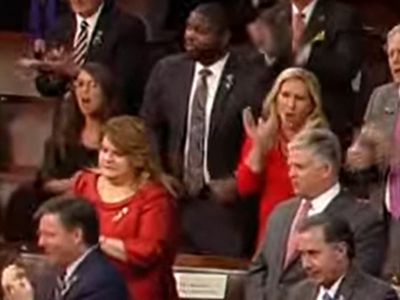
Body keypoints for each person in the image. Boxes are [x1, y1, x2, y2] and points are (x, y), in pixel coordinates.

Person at [141, 2, 268, 257]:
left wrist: (238, 180)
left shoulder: (252, 77)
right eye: (189, 27)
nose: (190, 35)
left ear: (224, 37)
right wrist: (158, 172)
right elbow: (148, 126)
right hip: (172, 196)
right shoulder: (167, 70)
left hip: (223, 204)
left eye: (201, 30)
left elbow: (262, 136)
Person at [246, 128, 387, 300]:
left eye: (299, 167)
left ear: (326, 169)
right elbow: (258, 268)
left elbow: (357, 285)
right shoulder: (280, 213)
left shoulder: (362, 220)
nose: (291, 174)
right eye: (289, 166)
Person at [3, 62, 120, 242]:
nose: (85, 91)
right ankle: (20, 254)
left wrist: (86, 186)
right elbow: (46, 180)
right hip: (62, 193)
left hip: (101, 197)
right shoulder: (65, 131)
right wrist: (72, 184)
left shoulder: (118, 133)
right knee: (23, 198)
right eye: (80, 84)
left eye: (93, 85)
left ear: (106, 91)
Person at [73, 116, 178, 300]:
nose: (108, 158)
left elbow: (148, 251)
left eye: (118, 154)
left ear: (137, 159)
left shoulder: (154, 198)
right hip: (87, 287)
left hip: (134, 291)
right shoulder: (84, 184)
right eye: (104, 150)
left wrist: (98, 242)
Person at [237, 67, 326, 246]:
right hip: (271, 233)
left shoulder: (321, 141)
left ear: (312, 105)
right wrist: (260, 149)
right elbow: (245, 187)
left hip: (310, 231)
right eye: (285, 95)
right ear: (275, 98)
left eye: (299, 98)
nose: (290, 105)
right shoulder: (262, 136)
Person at [270, 0, 363, 147]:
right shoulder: (272, 15)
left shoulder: (342, 16)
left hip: (324, 122)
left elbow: (345, 68)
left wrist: (305, 53)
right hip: (277, 122)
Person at [1, 196, 129, 300]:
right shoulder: (57, 273)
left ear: (77, 235)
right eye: (40, 235)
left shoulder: (102, 284)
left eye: (50, 235)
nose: (41, 243)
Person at [32, 0, 146, 114]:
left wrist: (77, 72)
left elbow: (125, 87)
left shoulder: (127, 27)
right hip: (67, 121)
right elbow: (45, 88)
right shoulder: (60, 27)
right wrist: (52, 74)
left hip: (109, 121)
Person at [356, 24, 400, 279]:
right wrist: (361, 158)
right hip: (380, 213)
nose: (396, 60)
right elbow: (366, 157)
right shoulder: (381, 97)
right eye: (391, 54)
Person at [288, 214, 398, 300]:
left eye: (313, 253)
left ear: (340, 251)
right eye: (302, 254)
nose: (306, 264)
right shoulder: (298, 294)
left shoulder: (378, 296)